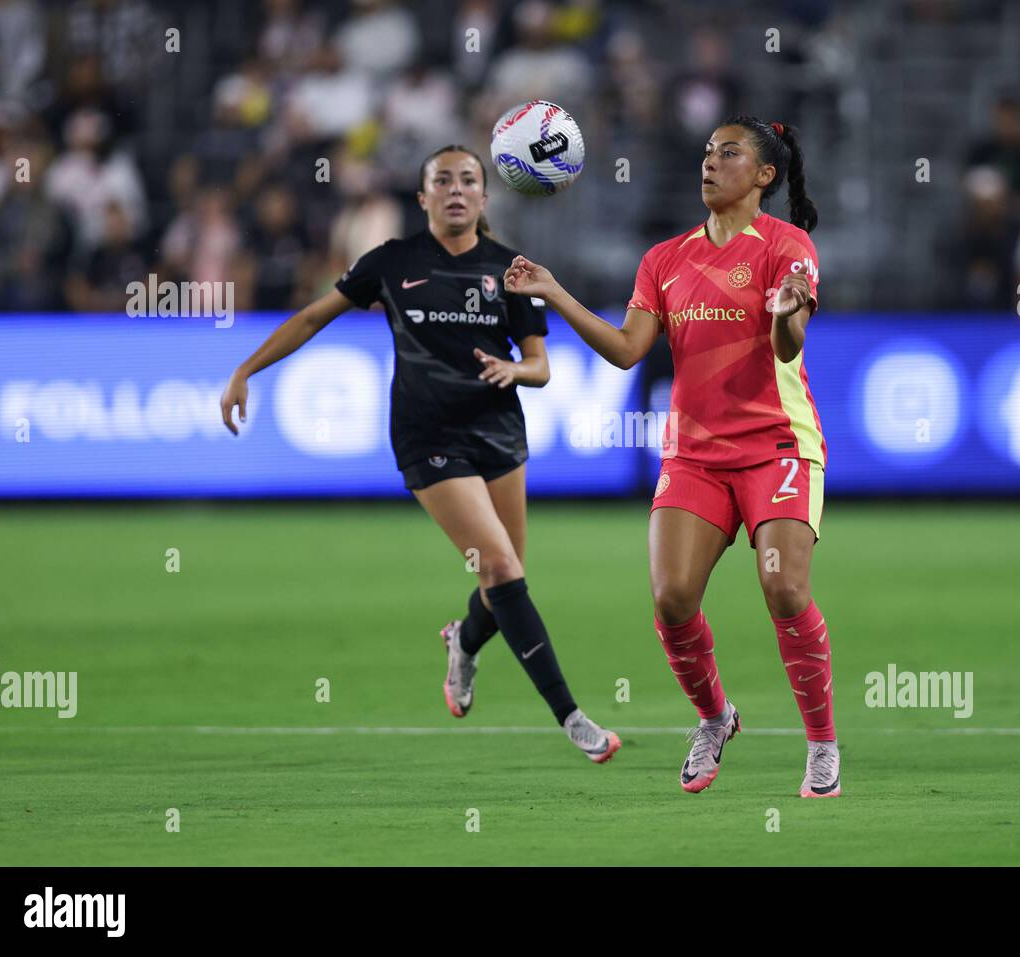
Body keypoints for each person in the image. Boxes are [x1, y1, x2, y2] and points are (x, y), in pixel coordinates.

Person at [219, 144, 621, 764]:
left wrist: (516, 370)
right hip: (428, 437)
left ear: (484, 199)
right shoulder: (392, 261)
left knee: (501, 581)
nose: (456, 190)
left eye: (468, 181)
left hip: (499, 434)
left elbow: (540, 365)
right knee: (502, 570)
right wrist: (246, 368)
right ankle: (571, 718)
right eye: (443, 181)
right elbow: (309, 320)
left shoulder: (509, 269)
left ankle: (463, 641)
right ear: (422, 198)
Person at [502, 115, 839, 797]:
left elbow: (788, 346)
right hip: (694, 454)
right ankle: (715, 717)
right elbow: (629, 350)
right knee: (673, 596)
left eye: (730, 153)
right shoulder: (664, 259)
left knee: (784, 587)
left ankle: (822, 744)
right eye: (708, 152)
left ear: (764, 175)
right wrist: (556, 291)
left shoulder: (787, 245)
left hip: (777, 446)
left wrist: (784, 310)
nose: (711, 162)